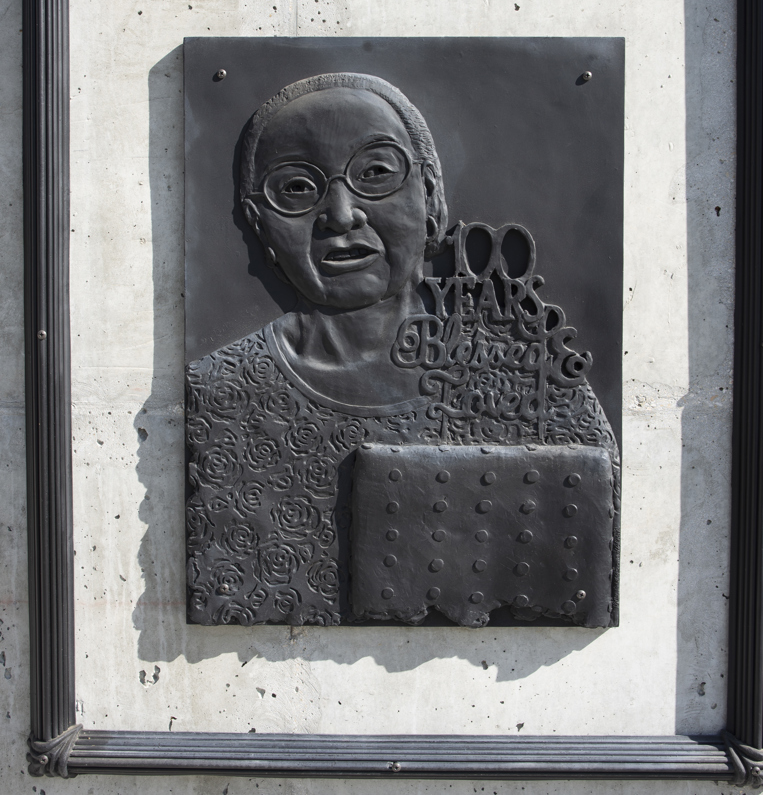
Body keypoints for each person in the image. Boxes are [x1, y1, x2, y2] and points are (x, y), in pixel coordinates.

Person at [185, 73, 618, 627]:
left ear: (432, 198)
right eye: (296, 187)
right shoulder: (221, 392)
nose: (341, 214)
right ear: (259, 225)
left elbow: (581, 555)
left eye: (375, 174)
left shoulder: (528, 373)